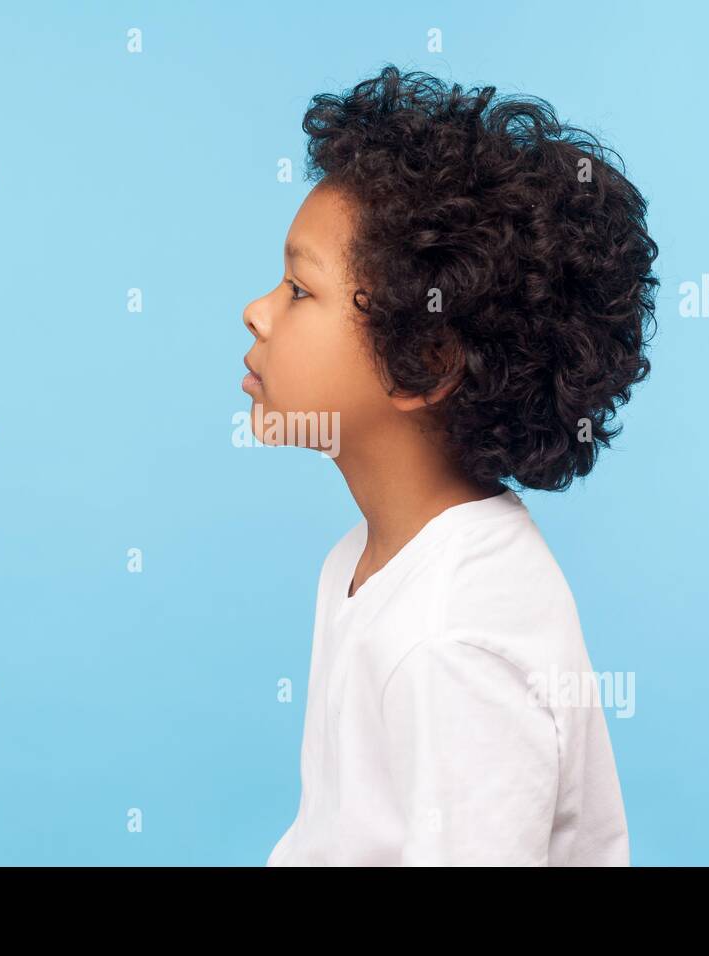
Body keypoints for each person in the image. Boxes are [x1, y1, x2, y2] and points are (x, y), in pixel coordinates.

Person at [243, 66, 658, 865]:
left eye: (300, 289)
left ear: (425, 360)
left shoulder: (455, 643)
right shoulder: (366, 564)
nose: (258, 310)